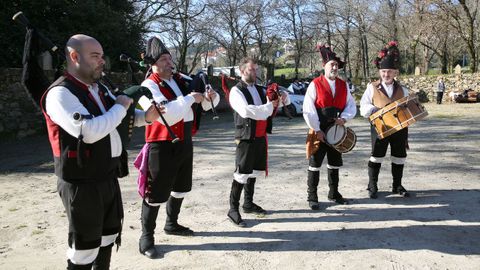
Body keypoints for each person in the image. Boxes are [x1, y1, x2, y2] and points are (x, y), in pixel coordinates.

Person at [41, 34, 159, 269]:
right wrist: (121, 105)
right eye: (95, 56)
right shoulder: (60, 93)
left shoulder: (99, 88)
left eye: (102, 56)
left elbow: (115, 119)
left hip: (107, 176)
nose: (102, 61)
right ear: (74, 57)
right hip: (81, 183)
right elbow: (90, 131)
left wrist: (146, 117)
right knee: (84, 249)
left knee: (107, 238)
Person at [136, 36, 219, 259]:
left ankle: (171, 224)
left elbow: (207, 103)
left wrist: (210, 96)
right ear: (153, 63)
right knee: (155, 192)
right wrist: (192, 98)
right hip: (161, 144)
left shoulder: (181, 80)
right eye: (163, 59)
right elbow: (167, 115)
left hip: (184, 140)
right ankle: (146, 237)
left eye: (169, 58)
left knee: (181, 186)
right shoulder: (147, 86)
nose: (168, 63)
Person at [227, 57, 290, 227]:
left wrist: (282, 97)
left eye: (256, 70)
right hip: (246, 137)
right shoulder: (236, 91)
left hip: (261, 137)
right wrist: (269, 107)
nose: (255, 73)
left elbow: (283, 103)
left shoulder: (261, 89)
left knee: (253, 172)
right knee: (241, 173)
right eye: (251, 70)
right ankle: (233, 209)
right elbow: (247, 111)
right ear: (242, 71)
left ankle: (248, 204)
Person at [302, 45, 357, 210]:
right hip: (318, 129)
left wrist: (344, 119)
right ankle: (312, 197)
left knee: (334, 163)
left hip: (336, 130)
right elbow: (308, 109)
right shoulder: (315, 84)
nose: (334, 67)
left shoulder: (343, 85)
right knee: (315, 164)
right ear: (324, 66)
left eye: (336, 65)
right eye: (331, 65)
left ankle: (334, 193)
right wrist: (317, 129)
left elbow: (351, 105)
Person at [360, 41, 410, 199]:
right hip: (379, 128)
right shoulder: (372, 87)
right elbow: (363, 107)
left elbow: (410, 108)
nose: (385, 75)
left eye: (389, 72)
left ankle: (397, 185)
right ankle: (372, 185)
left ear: (395, 73)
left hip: (400, 128)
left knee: (399, 156)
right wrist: (373, 110)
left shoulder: (403, 89)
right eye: (383, 71)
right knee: (376, 156)